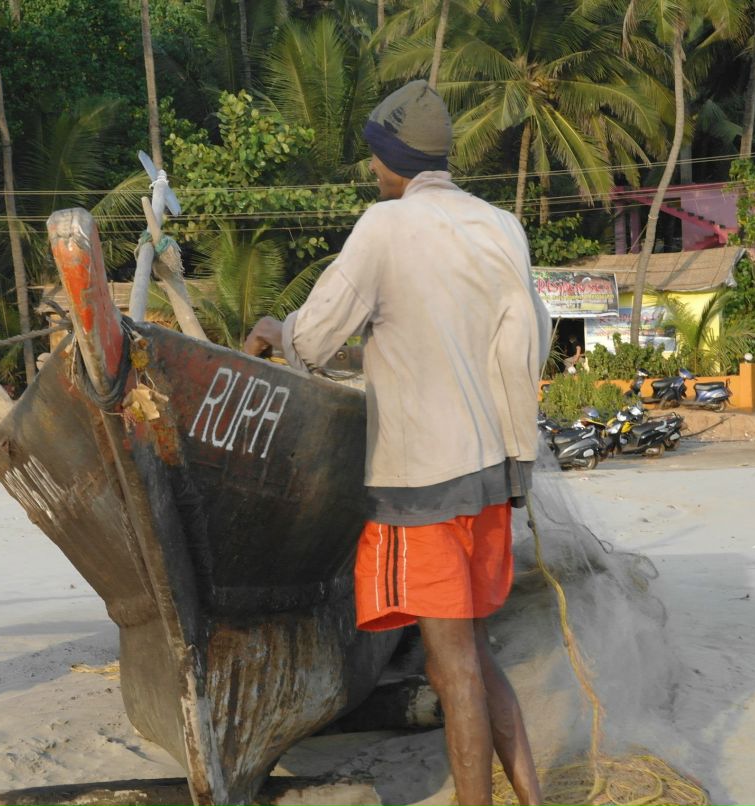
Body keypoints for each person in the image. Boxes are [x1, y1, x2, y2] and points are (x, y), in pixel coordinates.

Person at [243, 81, 549, 806]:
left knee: (453, 669)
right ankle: (532, 799)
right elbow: (517, 339)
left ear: (391, 160)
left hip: (426, 480)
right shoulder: (503, 227)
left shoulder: (383, 226)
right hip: (494, 474)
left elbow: (315, 340)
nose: (373, 171)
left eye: (375, 159)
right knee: (472, 653)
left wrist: (273, 329)